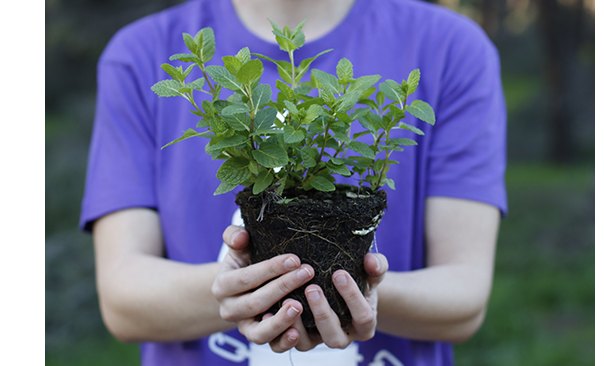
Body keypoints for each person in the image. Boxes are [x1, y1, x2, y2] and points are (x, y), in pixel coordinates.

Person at [80, 0, 507, 364]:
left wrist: (350, 292)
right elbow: (124, 300)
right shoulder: (138, 55)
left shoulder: (451, 48)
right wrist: (255, 290)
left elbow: (464, 299)